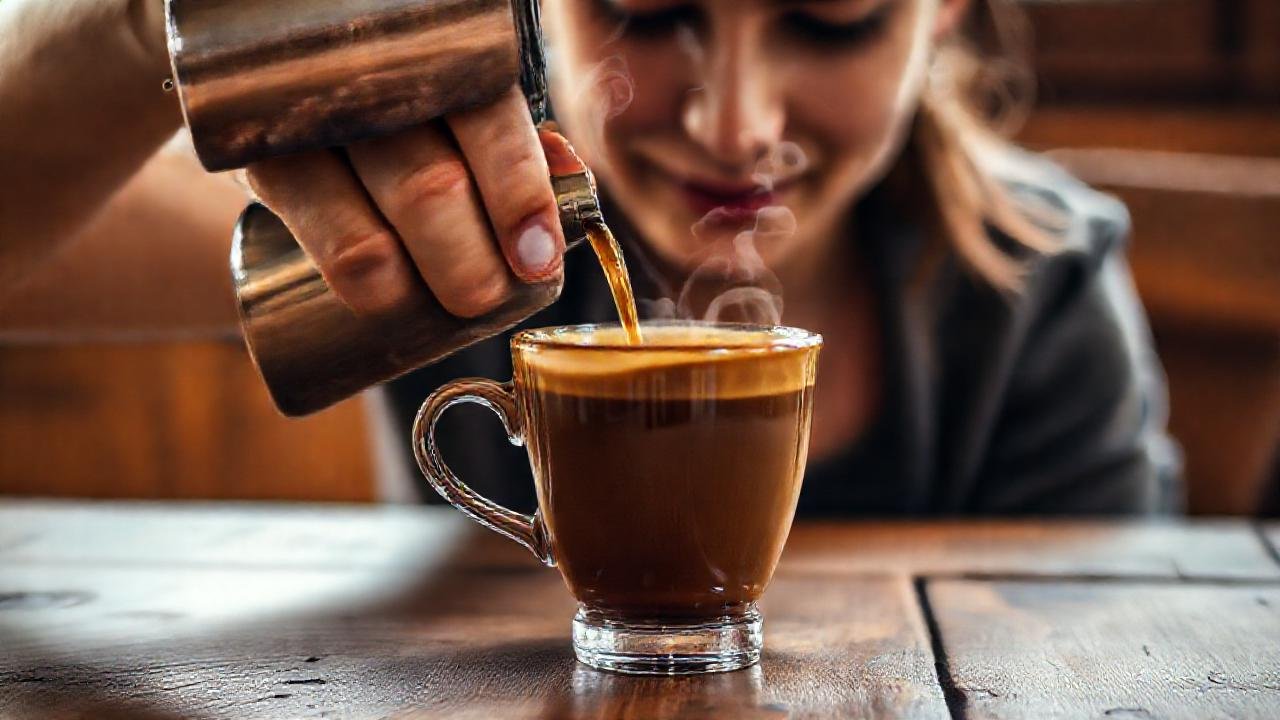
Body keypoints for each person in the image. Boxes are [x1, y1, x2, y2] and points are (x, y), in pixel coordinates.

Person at [1, 0, 1179, 515]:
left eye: (827, 18)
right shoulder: (436, 214)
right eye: (647, 4)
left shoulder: (1037, 291)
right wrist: (126, 23)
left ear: (939, 9)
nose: (732, 126)